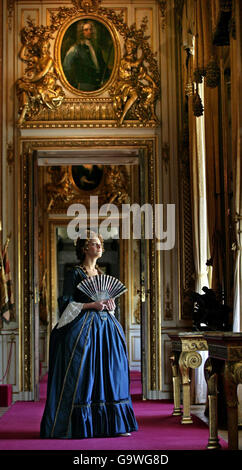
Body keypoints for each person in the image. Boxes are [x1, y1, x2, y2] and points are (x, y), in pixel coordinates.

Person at [40, 230, 138, 439]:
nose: (100, 246)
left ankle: (114, 425)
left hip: (106, 329)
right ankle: (80, 425)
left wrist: (109, 305)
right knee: (85, 373)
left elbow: (107, 304)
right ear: (85, 248)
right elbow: (65, 302)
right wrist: (92, 304)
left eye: (100, 243)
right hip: (84, 329)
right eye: (95, 243)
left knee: (112, 371)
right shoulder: (75, 273)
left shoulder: (101, 275)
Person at [63, 21, 111, 91]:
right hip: (83, 85)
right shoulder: (75, 48)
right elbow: (66, 66)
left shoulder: (96, 48)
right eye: (86, 30)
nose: (89, 32)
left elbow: (101, 65)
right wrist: (74, 84)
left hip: (98, 85)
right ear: (81, 32)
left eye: (90, 29)